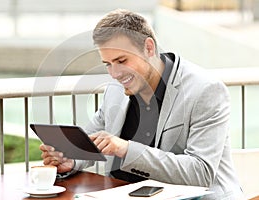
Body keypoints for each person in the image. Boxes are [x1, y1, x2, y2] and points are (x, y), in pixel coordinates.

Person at [40, 9, 244, 199]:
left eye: (121, 61)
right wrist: (71, 160)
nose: (114, 74)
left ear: (148, 47)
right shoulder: (115, 89)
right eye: (108, 64)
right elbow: (91, 141)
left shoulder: (205, 90)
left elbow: (200, 174)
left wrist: (126, 149)